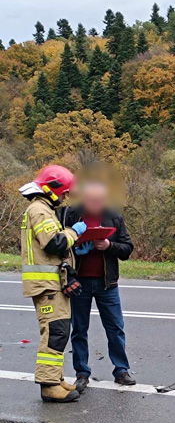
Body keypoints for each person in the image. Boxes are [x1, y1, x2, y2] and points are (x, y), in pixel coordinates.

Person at [18, 165, 87, 403]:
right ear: (52, 189)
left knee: (59, 331)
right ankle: (49, 386)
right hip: (46, 286)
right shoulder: (39, 210)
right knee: (54, 333)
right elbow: (54, 244)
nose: (66, 197)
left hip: (53, 285)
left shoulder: (44, 209)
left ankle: (56, 379)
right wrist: (74, 232)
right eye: (64, 192)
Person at [58, 182, 135, 392]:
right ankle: (82, 373)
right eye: (91, 200)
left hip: (107, 283)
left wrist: (109, 246)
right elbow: (57, 244)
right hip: (78, 282)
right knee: (79, 329)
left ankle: (121, 370)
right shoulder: (69, 215)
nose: (95, 204)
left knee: (115, 328)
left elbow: (127, 249)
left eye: (99, 200)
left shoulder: (114, 216)